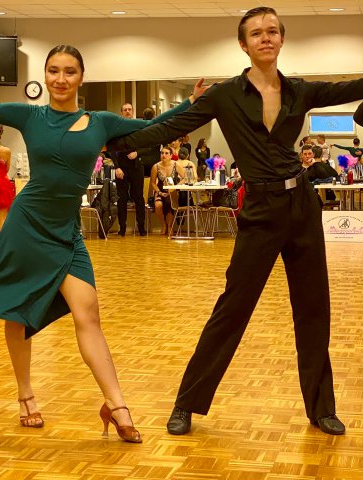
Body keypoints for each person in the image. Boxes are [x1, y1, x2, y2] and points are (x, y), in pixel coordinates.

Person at [0, 45, 205, 442]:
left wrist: (190, 103)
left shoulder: (101, 122)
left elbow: (155, 127)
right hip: (27, 226)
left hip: (66, 232)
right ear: (45, 76)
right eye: (53, 71)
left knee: (88, 313)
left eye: (69, 72)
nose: (60, 79)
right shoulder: (30, 116)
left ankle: (115, 404)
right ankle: (26, 395)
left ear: (81, 77)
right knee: (18, 311)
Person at [108, 7, 363, 436]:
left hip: (301, 205)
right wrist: (107, 140)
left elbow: (353, 86)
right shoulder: (224, 95)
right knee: (233, 308)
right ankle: (187, 403)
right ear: (243, 45)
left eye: (273, 31)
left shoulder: (300, 91)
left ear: (282, 39)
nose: (266, 38)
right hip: (260, 209)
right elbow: (169, 128)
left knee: (314, 308)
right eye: (256, 33)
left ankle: (321, 408)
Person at [111, 103, 147, 236]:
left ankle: (141, 227)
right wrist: (116, 167)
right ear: (121, 112)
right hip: (122, 168)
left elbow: (148, 145)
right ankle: (122, 228)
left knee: (138, 197)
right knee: (122, 198)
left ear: (133, 111)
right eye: (125, 110)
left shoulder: (139, 126)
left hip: (137, 167)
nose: (127, 111)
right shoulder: (116, 129)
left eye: (129, 109)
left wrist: (137, 153)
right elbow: (111, 149)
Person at [149, 146, 185, 235]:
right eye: (162, 153)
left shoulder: (176, 164)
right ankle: (163, 224)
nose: (164, 155)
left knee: (170, 203)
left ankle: (170, 226)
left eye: (166, 153)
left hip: (172, 190)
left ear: (171, 155)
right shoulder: (156, 166)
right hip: (160, 190)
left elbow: (185, 178)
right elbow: (153, 183)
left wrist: (176, 187)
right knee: (158, 205)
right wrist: (159, 192)